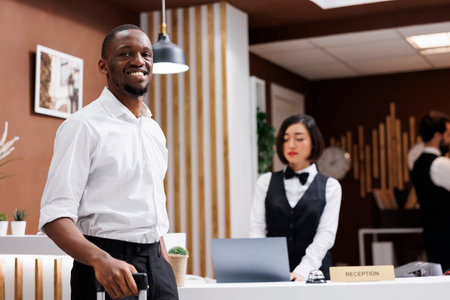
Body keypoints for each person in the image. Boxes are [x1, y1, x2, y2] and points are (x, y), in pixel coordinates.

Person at [38, 24, 178, 300]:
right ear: (104, 65)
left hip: (158, 267)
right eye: (126, 53)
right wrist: (102, 261)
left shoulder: (153, 130)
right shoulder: (82, 126)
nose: (139, 61)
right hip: (105, 267)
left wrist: (163, 261)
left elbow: (151, 206)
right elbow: (54, 216)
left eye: (147, 54)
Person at [249, 114, 341, 281]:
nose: (291, 145)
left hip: (316, 274)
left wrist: (303, 269)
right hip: (272, 273)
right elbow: (257, 230)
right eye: (286, 139)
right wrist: (260, 265)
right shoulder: (265, 181)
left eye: (299, 139)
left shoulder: (331, 186)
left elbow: (326, 235)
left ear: (314, 143)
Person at [411, 111, 450, 272]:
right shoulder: (440, 164)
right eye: (448, 134)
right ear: (437, 136)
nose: (449, 139)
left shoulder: (418, 163)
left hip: (432, 234)